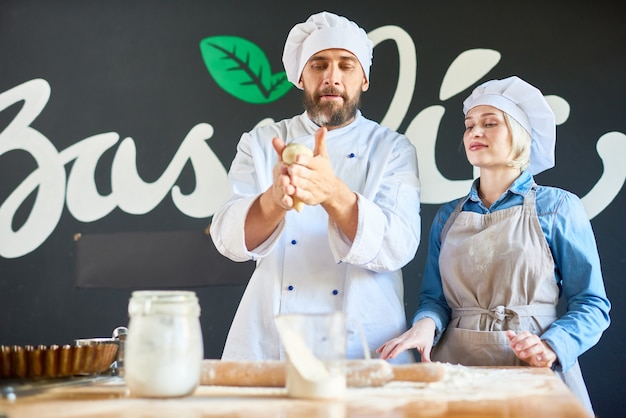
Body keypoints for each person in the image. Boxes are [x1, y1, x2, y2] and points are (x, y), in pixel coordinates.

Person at [376, 75, 610, 414]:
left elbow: (592, 303)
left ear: (519, 134)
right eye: (469, 125)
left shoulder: (558, 207)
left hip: (532, 369)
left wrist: (553, 345)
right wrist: (424, 327)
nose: (474, 132)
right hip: (455, 371)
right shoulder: (447, 217)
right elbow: (435, 299)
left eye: (490, 123)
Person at [210, 11, 421, 364]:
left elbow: (397, 246)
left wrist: (331, 192)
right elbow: (229, 240)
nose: (331, 78)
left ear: (364, 79)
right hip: (272, 341)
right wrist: (273, 201)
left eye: (346, 65)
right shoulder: (263, 142)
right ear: (300, 77)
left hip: (363, 342)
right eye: (319, 65)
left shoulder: (393, 149)